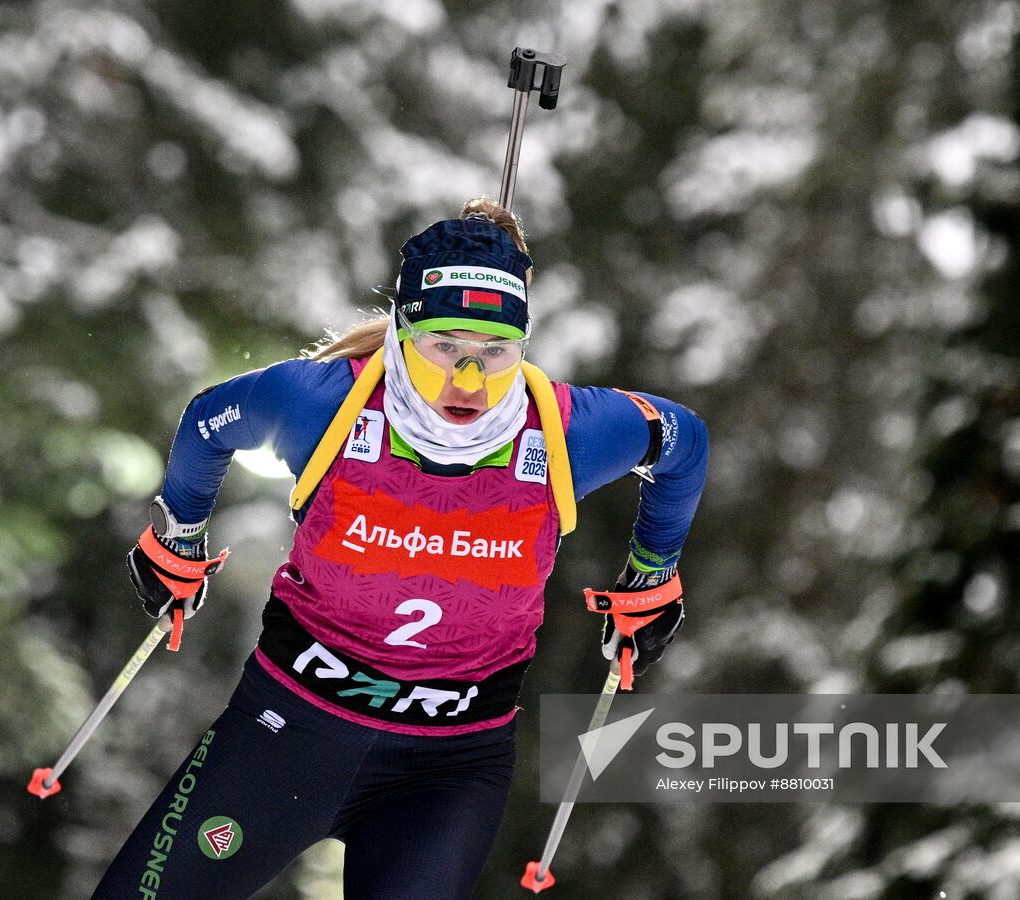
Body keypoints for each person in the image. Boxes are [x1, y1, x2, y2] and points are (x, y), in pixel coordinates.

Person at [92, 198, 708, 899]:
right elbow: (209, 422)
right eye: (446, 346)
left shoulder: (565, 434)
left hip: (446, 770)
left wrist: (652, 576)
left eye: (495, 353)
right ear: (403, 331)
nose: (469, 381)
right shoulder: (324, 402)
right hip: (286, 732)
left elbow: (683, 442)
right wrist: (176, 542)